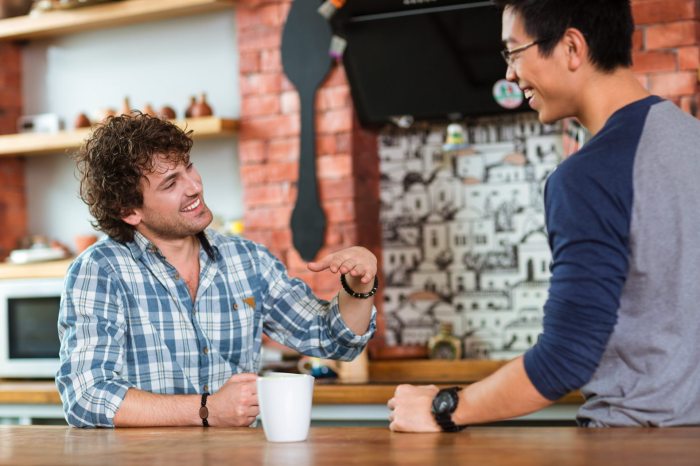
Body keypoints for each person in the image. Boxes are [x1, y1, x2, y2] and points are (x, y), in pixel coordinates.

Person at [388, 0, 700, 430]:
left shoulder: (588, 176)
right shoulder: (691, 140)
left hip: (632, 445)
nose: (509, 74)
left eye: (514, 52)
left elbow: (566, 358)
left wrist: (443, 408)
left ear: (572, 47)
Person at [56, 113, 378, 428]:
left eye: (189, 168)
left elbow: (333, 340)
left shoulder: (247, 260)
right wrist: (207, 409)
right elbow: (86, 396)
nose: (194, 186)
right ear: (129, 210)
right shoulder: (99, 272)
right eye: (171, 183)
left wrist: (358, 287)